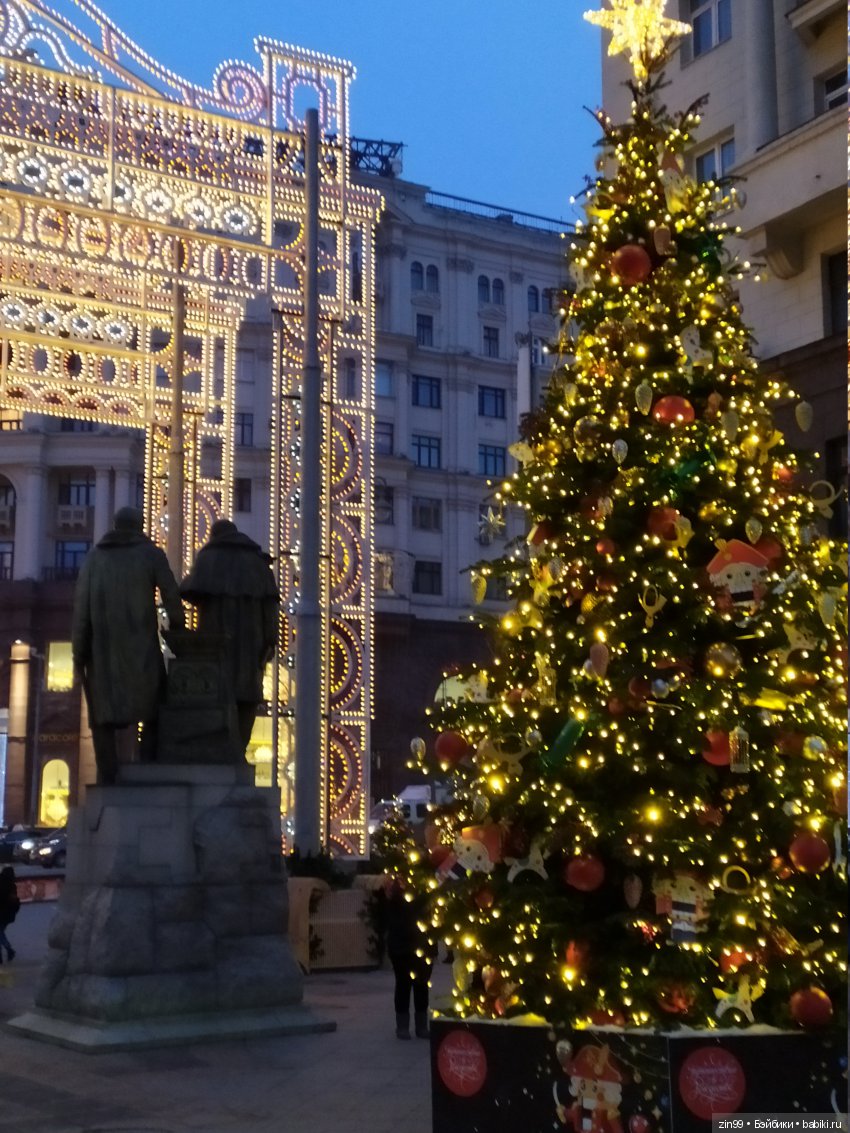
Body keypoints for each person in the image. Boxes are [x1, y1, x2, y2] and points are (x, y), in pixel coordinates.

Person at [72, 507, 184, 784]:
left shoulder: (94, 559)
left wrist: (78, 650)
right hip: (142, 648)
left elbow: (81, 610)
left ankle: (107, 776)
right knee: (155, 709)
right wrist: (179, 627)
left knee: (101, 718)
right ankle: (147, 767)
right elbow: (171, 592)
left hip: (102, 654)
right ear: (139, 525)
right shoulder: (151, 554)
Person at [180, 519, 279, 752]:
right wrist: (271, 640)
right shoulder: (258, 563)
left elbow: (188, 589)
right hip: (251, 644)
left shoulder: (209, 557)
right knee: (248, 694)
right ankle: (238, 751)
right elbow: (270, 608)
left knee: (215, 692)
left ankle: (215, 747)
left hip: (216, 641)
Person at [382, 876, 433, 1040]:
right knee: (407, 985)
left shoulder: (420, 894)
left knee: (418, 986)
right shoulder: (397, 897)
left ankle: (417, 1026)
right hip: (403, 947)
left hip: (414, 946)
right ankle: (408, 1026)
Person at [0, 866, 20, 962]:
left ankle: (9, 950)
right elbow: (14, 901)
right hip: (8, 914)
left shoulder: (1, 883)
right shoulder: (12, 886)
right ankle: (8, 951)